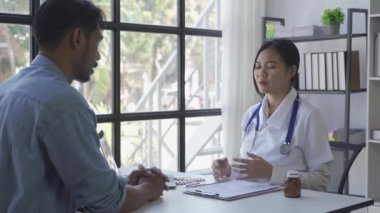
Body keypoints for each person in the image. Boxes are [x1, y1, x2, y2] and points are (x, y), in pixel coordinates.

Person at [0, 0, 166, 212]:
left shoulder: (6, 90)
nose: (98, 56)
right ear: (77, 38)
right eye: (97, 42)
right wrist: (149, 189)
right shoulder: (63, 102)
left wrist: (122, 184)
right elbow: (106, 204)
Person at [212, 39, 334, 191]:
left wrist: (273, 174)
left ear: (291, 71)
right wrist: (228, 172)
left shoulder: (309, 116)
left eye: (271, 67)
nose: (261, 73)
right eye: (258, 66)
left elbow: (321, 180)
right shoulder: (250, 115)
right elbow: (251, 174)